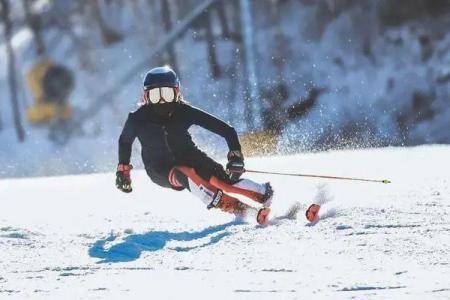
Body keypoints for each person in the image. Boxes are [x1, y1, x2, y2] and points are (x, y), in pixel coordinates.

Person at [115, 66, 273, 224]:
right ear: (146, 96)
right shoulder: (138, 119)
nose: (162, 101)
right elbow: (125, 141)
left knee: (224, 181)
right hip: (160, 169)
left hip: (191, 157)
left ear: (177, 92)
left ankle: (264, 193)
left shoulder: (184, 111)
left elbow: (227, 131)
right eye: (156, 95)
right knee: (184, 174)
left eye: (167, 94)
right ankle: (244, 210)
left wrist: (235, 156)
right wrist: (123, 170)